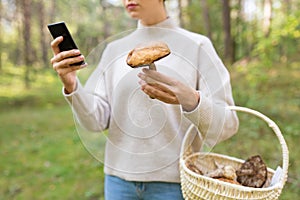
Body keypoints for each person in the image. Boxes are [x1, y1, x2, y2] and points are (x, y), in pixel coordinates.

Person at [50, 0, 239, 199]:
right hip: (118, 183)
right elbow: (95, 121)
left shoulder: (198, 46)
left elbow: (228, 125)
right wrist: (72, 85)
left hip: (176, 184)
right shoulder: (114, 50)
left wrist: (192, 100)